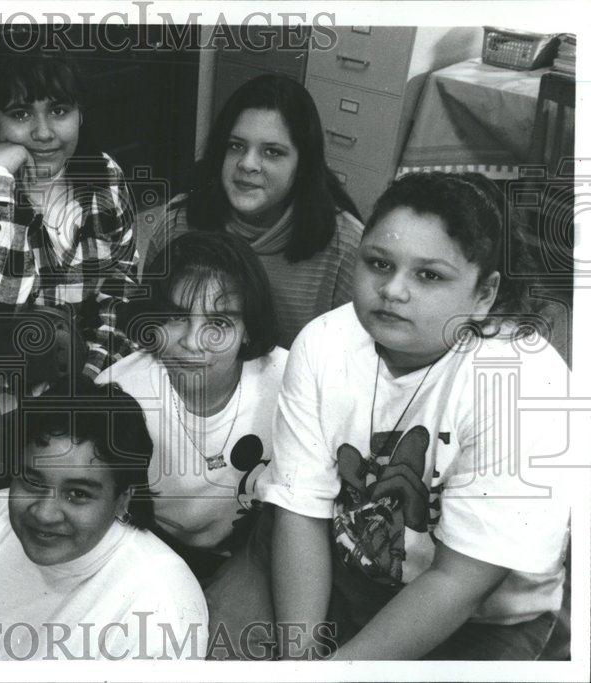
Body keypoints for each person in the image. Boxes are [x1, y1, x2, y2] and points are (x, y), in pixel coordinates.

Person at [207, 172, 571, 661]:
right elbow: (302, 511)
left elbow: (461, 583)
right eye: (378, 263)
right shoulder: (322, 344)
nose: (393, 290)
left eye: (429, 275)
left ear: (484, 294)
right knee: (209, 654)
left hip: (479, 614)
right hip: (341, 561)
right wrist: (302, 660)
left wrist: (334, 672)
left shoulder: (523, 383)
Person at [0, 379, 208, 661]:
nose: (44, 513)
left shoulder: (163, 606)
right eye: (32, 482)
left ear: (123, 499)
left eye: (77, 494)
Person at [96, 231, 287, 579]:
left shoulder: (290, 380)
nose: (194, 342)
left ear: (248, 328)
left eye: (219, 323)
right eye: (176, 317)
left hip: (257, 549)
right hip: (149, 551)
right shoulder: (117, 393)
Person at [0, 52, 138, 381]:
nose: (44, 133)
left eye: (59, 110)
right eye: (20, 114)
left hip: (92, 374)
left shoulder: (105, 177)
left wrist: (87, 381)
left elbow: (120, 294)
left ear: (80, 114)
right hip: (4, 385)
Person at [144, 74, 363, 348]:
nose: (247, 164)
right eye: (236, 146)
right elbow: (149, 320)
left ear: (303, 164)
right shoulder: (178, 219)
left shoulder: (347, 247)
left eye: (272, 152)